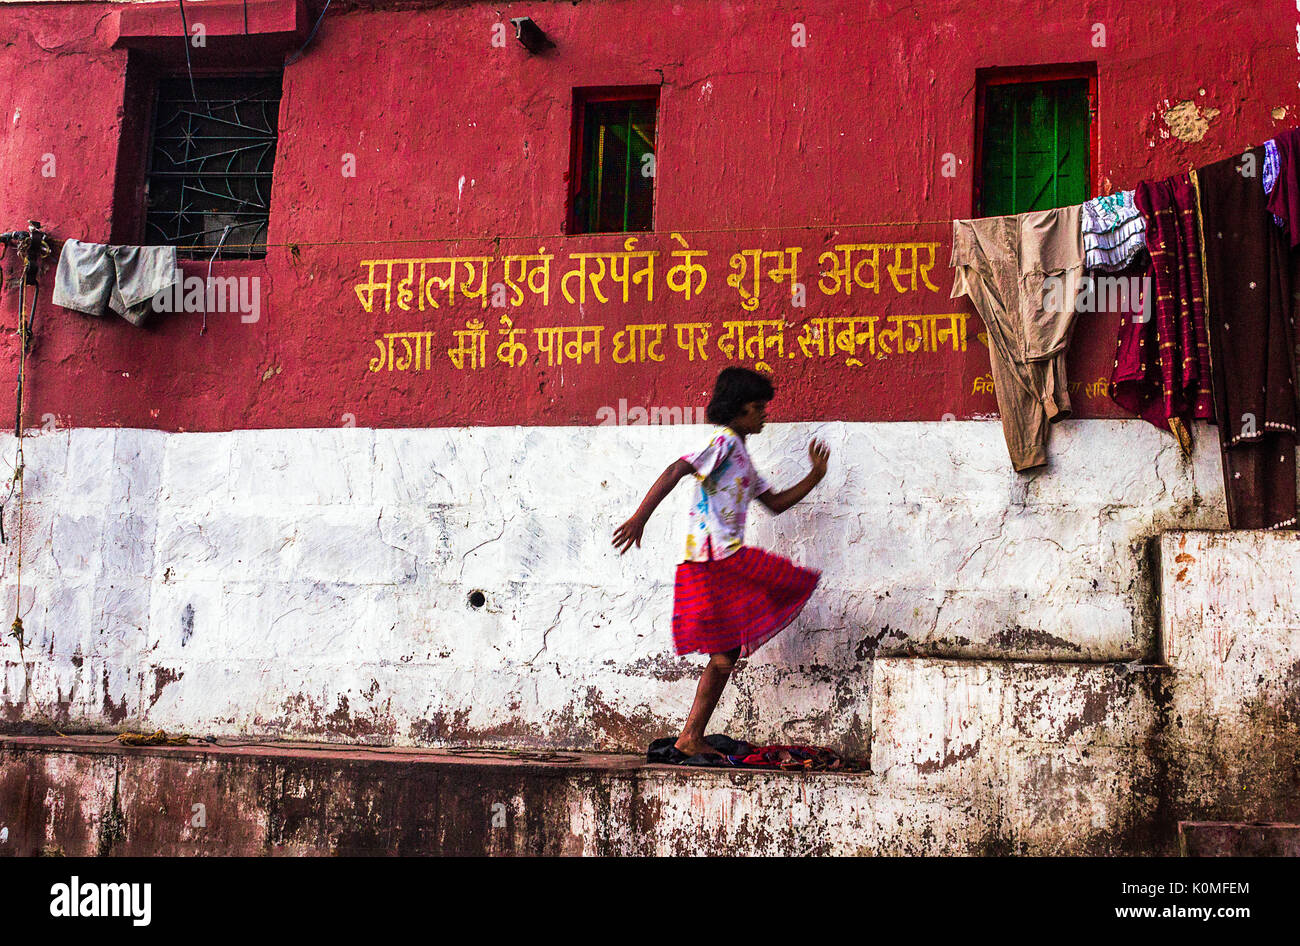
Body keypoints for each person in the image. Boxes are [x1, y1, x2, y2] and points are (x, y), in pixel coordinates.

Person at [612, 367, 829, 758]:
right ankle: (690, 736)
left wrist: (814, 476)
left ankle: (691, 736)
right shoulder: (724, 441)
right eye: (757, 407)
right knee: (728, 649)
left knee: (726, 653)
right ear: (739, 410)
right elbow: (679, 468)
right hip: (714, 560)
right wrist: (640, 517)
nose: (764, 414)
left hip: (723, 560)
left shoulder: (741, 455)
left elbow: (774, 503)